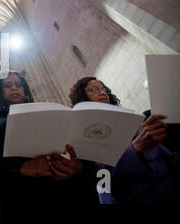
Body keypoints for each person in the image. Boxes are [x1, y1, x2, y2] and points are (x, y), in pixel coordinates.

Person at [0, 71, 98, 205]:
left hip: (53, 184)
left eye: (18, 84)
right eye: (8, 85)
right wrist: (21, 167)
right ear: (0, 91)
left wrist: (76, 166)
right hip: (13, 187)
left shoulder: (43, 112)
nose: (14, 88)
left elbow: (70, 141)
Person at [69, 76, 180, 204]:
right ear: (82, 98)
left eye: (103, 89)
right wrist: (135, 149)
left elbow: (167, 157)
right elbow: (103, 178)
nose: (102, 93)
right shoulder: (84, 137)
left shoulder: (131, 121)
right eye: (93, 90)